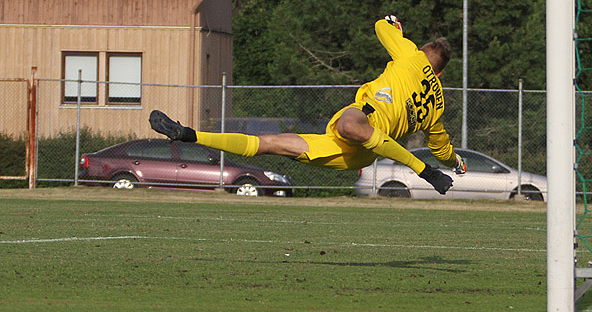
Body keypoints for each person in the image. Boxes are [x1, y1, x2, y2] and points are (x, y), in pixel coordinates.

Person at [149, 15, 466, 194]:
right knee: (271, 145)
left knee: (350, 122)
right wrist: (455, 164)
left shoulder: (410, 55)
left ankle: (423, 171)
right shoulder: (436, 110)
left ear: (422, 56)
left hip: (363, 124)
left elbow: (380, 27)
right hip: (363, 151)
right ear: (441, 72)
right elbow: (443, 148)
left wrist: (393, 24)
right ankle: (189, 134)